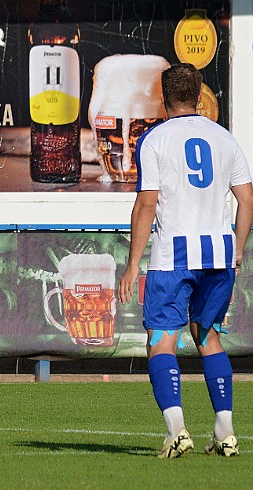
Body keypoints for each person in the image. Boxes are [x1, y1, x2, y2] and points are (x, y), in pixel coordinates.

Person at [118, 63, 253, 458]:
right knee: (207, 335)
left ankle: (177, 431)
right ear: (199, 96)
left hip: (173, 254)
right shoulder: (225, 138)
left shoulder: (155, 139)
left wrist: (131, 265)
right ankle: (225, 432)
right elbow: (247, 201)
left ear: (163, 99)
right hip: (218, 254)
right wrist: (239, 247)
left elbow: (146, 204)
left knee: (161, 340)